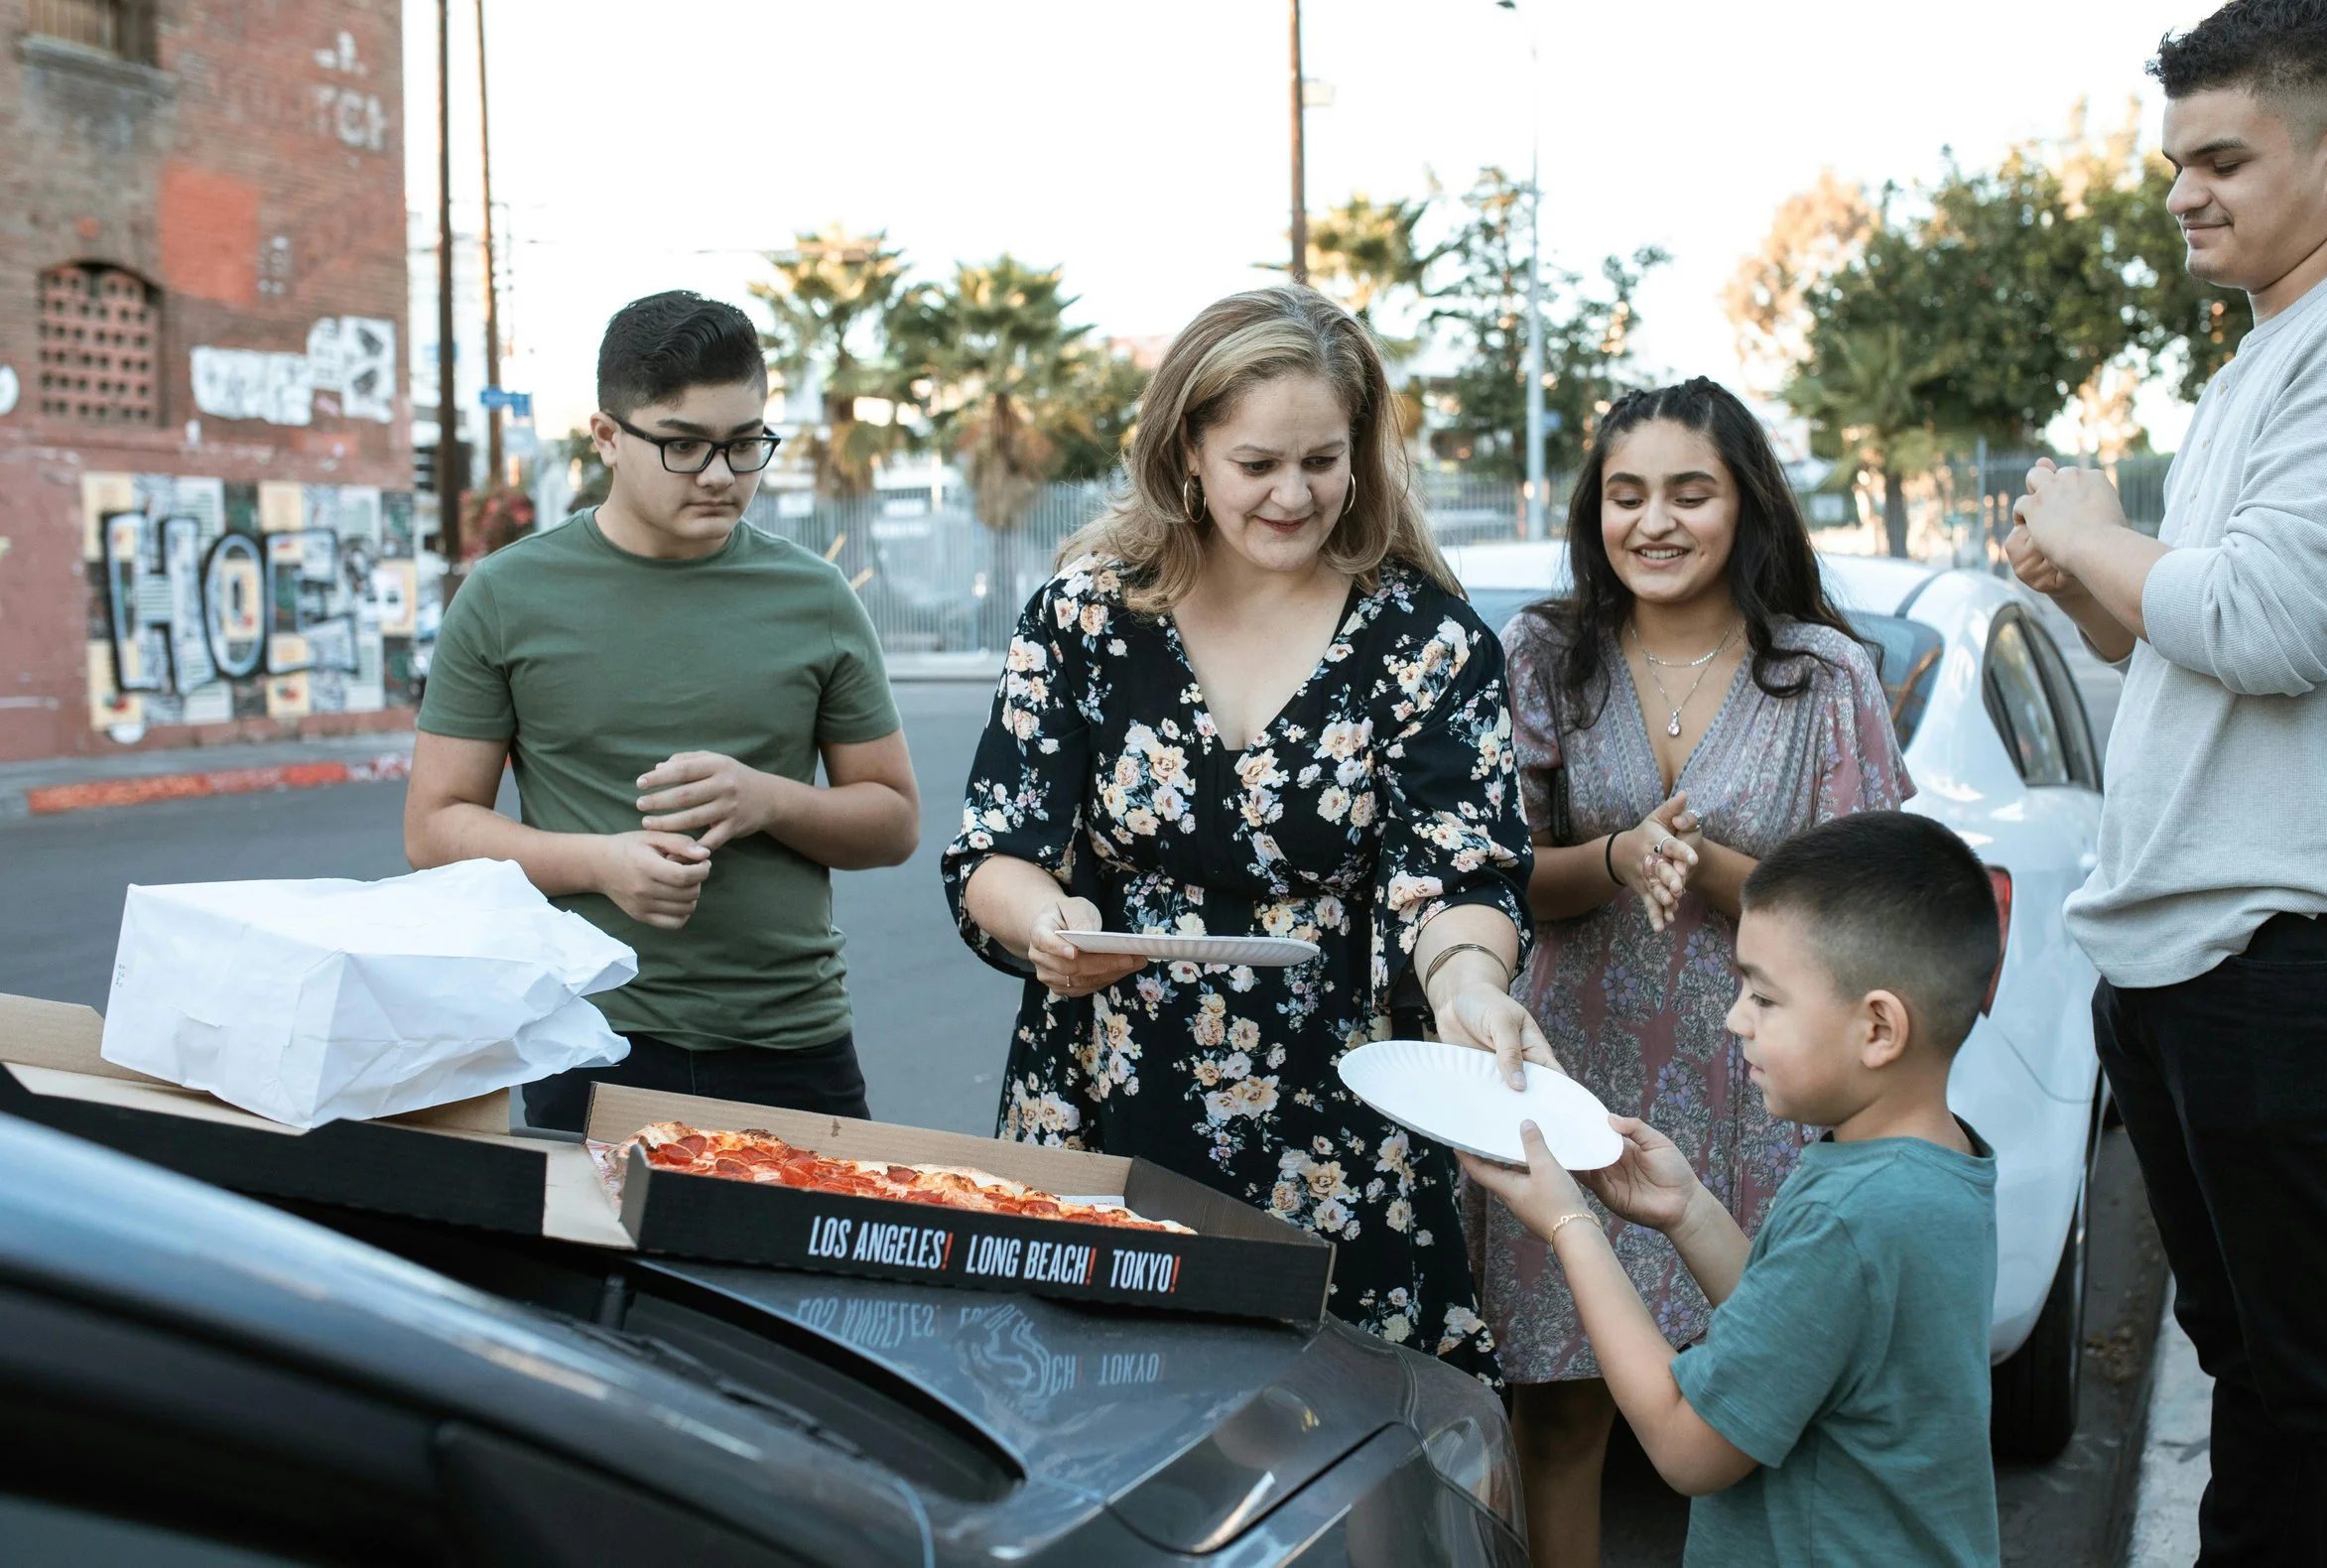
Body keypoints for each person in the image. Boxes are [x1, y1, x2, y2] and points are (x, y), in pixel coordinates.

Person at [2004, 0, 2327, 1567]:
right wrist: (2095, 592)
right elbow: (2219, 658)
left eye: (2222, 156)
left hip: (2323, 963)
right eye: (2174, 161)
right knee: (2263, 1390)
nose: (2183, 191)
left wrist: (2088, 530)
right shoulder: (2268, 357)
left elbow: (2270, 626)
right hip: (2216, 964)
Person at [942, 285, 1551, 1379]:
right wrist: (1051, 922)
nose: (1294, 493)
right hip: (1099, 1100)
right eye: (1258, 463)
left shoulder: (1427, 639)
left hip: (1341, 1123)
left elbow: (1459, 871)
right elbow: (996, 849)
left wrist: (1467, 984)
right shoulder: (1081, 620)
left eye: (1321, 460)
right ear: (1188, 451)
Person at [1472, 378, 1912, 1565]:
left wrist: (1709, 867)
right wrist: (1616, 855)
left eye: (1688, 492)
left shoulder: (1824, 676)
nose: (1653, 521)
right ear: (1593, 511)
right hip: (1574, 1074)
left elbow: (1868, 911)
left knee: (1761, 1412)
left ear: (1745, 504)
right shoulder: (1541, 654)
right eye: (1626, 494)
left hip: (1759, 1093)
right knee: (1560, 1406)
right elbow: (1494, 872)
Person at [407, 291, 921, 1130]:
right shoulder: (506, 595)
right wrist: (601, 862)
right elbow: (435, 828)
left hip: (792, 1036)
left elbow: (894, 821)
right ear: (607, 436)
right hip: (591, 1033)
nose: (721, 475)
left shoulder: (816, 596)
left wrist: (770, 800)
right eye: (683, 444)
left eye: (744, 443)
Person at [1465, 811, 2003, 1568]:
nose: (1734, 1018)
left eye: (1764, 997)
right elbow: (1801, 1332)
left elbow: (1688, 1443)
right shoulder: (1935, 1166)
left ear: (1879, 1028)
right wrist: (1688, 1211)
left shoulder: (1849, 1216)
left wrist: (1567, 1223)